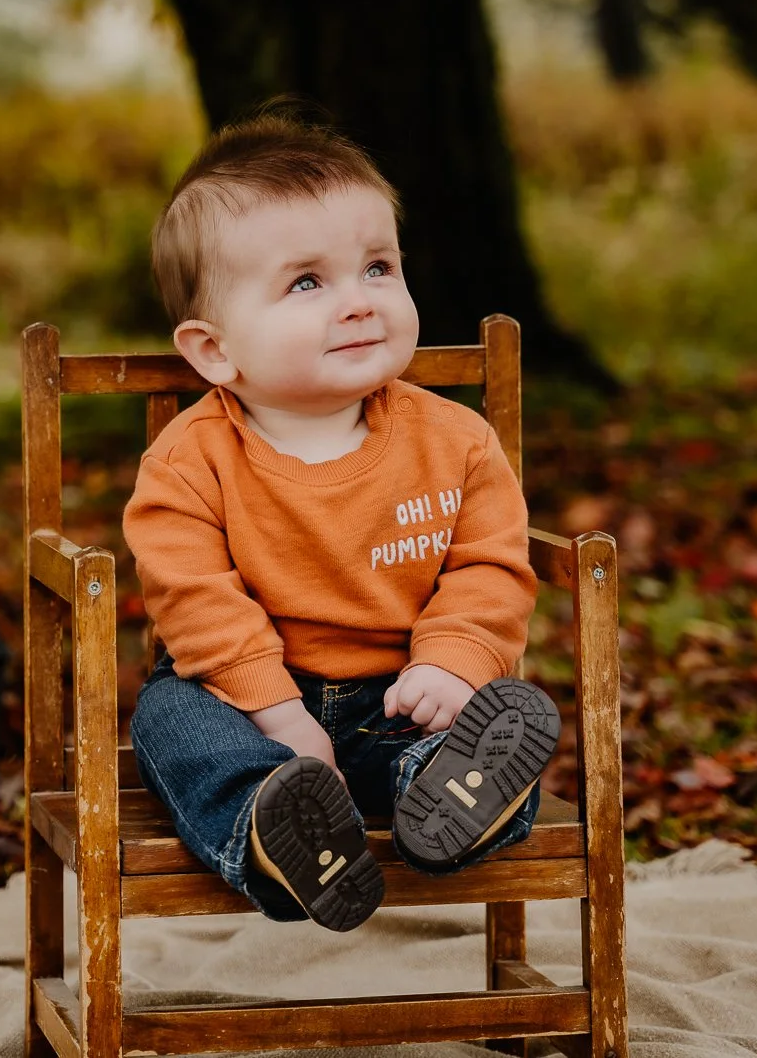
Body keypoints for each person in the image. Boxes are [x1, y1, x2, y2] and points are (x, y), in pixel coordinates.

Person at [123, 105, 560, 932]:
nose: (359, 302)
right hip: (246, 703)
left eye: (378, 268)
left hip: (398, 700)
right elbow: (197, 607)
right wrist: (281, 721)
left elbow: (490, 566)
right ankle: (272, 828)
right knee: (169, 720)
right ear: (214, 350)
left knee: (478, 729)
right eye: (307, 283)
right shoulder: (188, 463)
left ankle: (453, 795)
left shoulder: (456, 441)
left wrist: (456, 664)